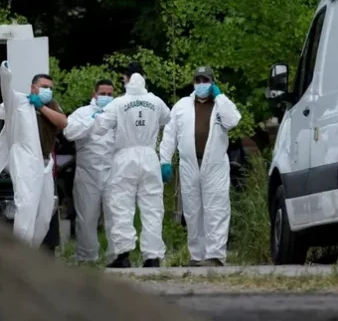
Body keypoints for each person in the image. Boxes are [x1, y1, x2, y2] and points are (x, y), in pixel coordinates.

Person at [0, 64, 68, 247]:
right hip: (26, 161)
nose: (48, 91)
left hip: (45, 163)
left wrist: (42, 107)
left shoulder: (51, 105)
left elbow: (63, 122)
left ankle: (31, 249)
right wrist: (5, 74)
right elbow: (6, 91)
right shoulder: (19, 102)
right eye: (44, 87)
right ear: (33, 87)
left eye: (50, 88)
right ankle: (20, 253)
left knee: (45, 213)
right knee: (26, 206)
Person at [159, 66, 241, 267]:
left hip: (214, 164)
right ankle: (197, 256)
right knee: (192, 210)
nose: (202, 84)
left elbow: (233, 121)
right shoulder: (181, 106)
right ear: (194, 83)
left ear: (212, 82)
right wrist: (165, 160)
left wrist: (220, 97)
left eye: (206, 80)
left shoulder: (220, 105)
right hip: (189, 164)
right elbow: (170, 133)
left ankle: (215, 255)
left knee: (216, 208)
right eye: (198, 80)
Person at [91, 62, 171, 268]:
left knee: (121, 206)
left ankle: (123, 255)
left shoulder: (118, 103)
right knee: (152, 208)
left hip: (125, 157)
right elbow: (167, 118)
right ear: (144, 77)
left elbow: (99, 127)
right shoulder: (155, 101)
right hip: (149, 155)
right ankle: (152, 257)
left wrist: (95, 118)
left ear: (125, 78)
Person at [63, 79, 117, 262]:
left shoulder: (118, 114)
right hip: (87, 172)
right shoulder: (82, 113)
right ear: (94, 94)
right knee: (86, 218)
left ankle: (116, 257)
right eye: (103, 93)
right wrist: (92, 121)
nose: (106, 97)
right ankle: (87, 257)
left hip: (113, 172)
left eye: (110, 94)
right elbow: (68, 132)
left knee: (115, 217)